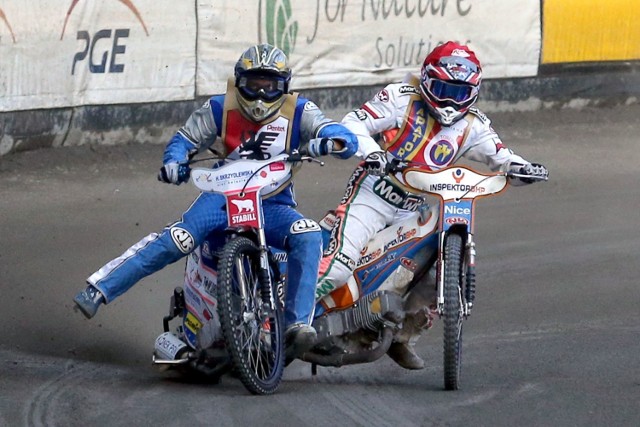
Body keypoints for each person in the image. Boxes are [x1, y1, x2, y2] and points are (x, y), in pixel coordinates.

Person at [73, 43, 358, 357]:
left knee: (307, 235)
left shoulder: (301, 110)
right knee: (178, 239)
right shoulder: (219, 108)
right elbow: (184, 140)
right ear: (239, 82)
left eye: (270, 86)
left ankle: (296, 327)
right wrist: (174, 162)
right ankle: (100, 288)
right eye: (253, 85)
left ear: (284, 87)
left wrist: (334, 140)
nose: (261, 96)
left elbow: (335, 132)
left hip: (273, 205)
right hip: (220, 199)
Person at [315, 41, 549, 369]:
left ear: (474, 91)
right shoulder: (399, 97)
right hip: (372, 194)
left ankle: (400, 336)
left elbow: (502, 158)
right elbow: (353, 123)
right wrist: (374, 154)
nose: (451, 101)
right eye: (442, 88)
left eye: (459, 92)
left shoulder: (474, 125)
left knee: (432, 276)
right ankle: (289, 317)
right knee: (340, 266)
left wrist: (524, 168)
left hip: (413, 205)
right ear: (426, 80)